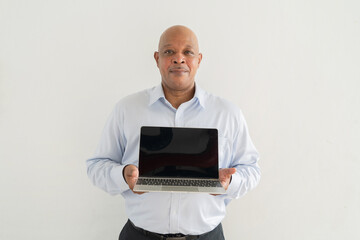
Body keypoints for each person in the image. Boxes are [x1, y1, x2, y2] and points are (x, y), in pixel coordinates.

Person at [86, 25, 260, 240]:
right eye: (169, 52)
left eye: (188, 52)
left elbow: (251, 170)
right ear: (157, 58)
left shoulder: (227, 113)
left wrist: (229, 183)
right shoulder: (127, 109)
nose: (179, 59)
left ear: (199, 59)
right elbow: (97, 166)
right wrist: (124, 176)